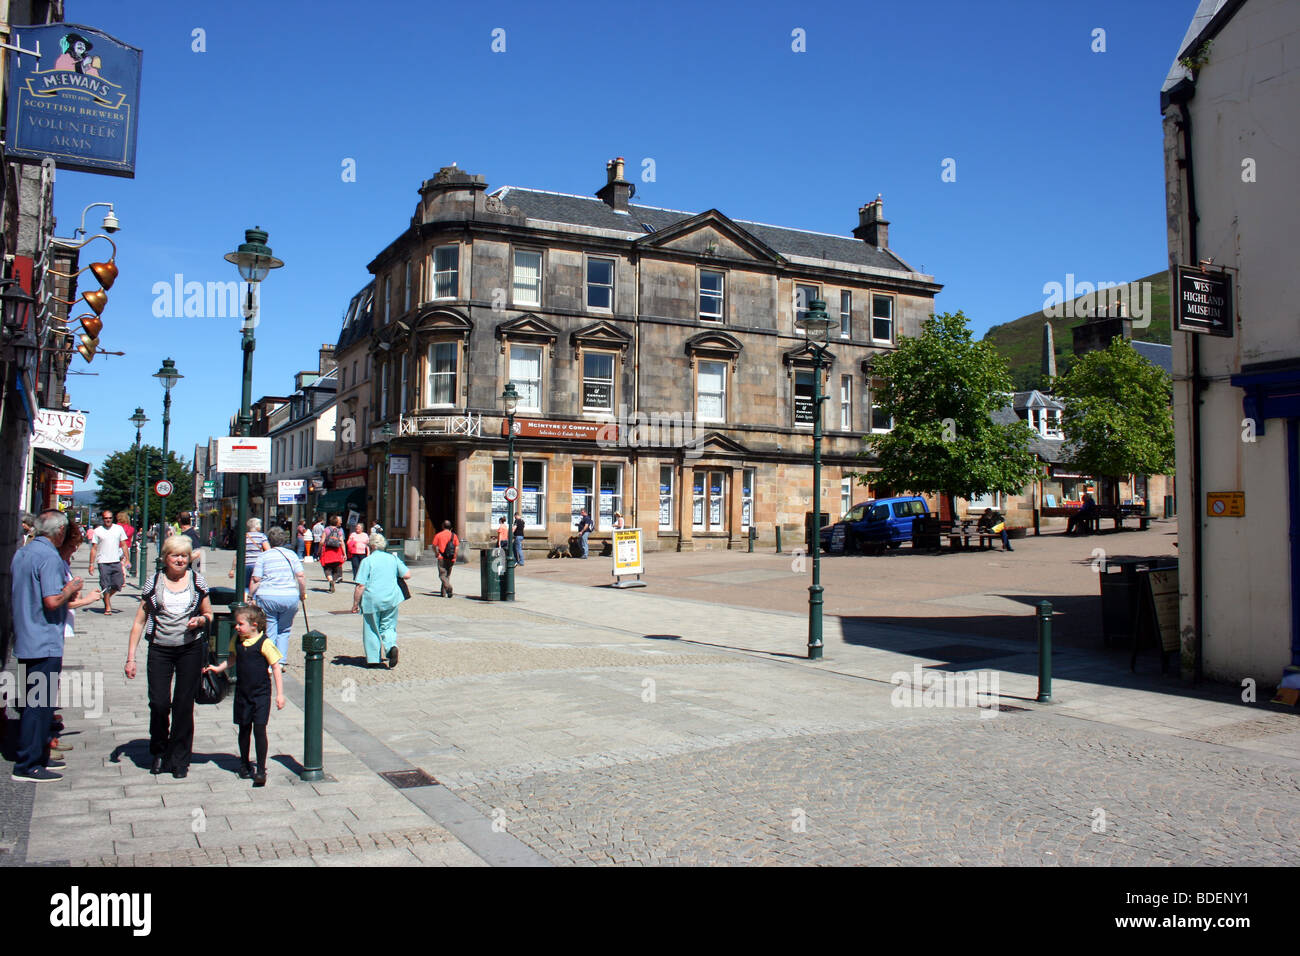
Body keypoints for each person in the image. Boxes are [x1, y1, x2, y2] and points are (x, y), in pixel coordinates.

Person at [125, 536, 213, 778]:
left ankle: (180, 758)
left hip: (190, 649)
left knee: (184, 705)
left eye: (184, 556)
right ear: (165, 557)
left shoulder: (197, 581)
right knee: (160, 703)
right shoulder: (154, 582)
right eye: (175, 555)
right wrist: (131, 657)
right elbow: (139, 621)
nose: (180, 560)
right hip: (160, 649)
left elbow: (209, 613)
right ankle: (159, 751)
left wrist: (202, 620)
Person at [10, 511, 86, 782]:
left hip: (25, 636)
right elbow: (53, 601)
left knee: (31, 702)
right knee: (39, 706)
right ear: (60, 531)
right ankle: (28, 764)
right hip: (44, 639)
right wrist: (72, 586)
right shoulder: (50, 557)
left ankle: (36, 755)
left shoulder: (23, 553)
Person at [204, 605, 283, 787]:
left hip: (261, 693)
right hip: (243, 692)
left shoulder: (265, 643)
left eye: (240, 624)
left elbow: (276, 667)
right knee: (244, 729)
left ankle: (261, 769)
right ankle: (244, 764)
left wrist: (280, 694)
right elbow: (232, 659)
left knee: (259, 730)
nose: (237, 628)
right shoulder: (237, 641)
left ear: (254, 625)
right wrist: (219, 668)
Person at [351, 532, 411, 668]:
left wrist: (355, 603)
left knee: (372, 628)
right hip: (391, 598)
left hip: (372, 599)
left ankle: (373, 659)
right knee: (388, 626)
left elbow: (360, 585)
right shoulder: (392, 559)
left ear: (371, 546)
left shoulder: (367, 561)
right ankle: (391, 647)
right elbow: (407, 574)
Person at [248, 526, 306, 664]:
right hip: (289, 596)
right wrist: (302, 593)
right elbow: (300, 576)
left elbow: (256, 579)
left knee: (270, 628)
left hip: (268, 596)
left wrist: (250, 596)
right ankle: (281, 662)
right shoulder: (291, 555)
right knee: (284, 630)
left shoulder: (264, 556)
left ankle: (270, 661)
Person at [88, 509, 130, 615]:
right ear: (103, 519)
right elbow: (94, 548)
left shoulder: (118, 529)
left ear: (113, 519)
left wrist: (127, 559)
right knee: (105, 585)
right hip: (103, 561)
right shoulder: (98, 531)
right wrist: (91, 564)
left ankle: (105, 597)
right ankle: (107, 606)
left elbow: (124, 544)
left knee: (118, 584)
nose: (108, 520)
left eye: (110, 518)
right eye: (106, 518)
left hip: (116, 561)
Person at [228, 517, 270, 594]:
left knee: (245, 587)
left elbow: (237, 554)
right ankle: (254, 601)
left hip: (245, 565)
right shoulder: (262, 536)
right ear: (257, 526)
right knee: (257, 585)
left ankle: (246, 602)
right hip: (258, 565)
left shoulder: (244, 537)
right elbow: (268, 551)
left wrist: (232, 569)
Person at [319, 515, 346, 593]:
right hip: (337, 552)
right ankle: (333, 581)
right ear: (337, 522)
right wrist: (345, 554)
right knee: (336, 569)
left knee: (327, 568)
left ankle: (330, 581)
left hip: (327, 551)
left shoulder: (326, 530)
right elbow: (342, 543)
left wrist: (319, 550)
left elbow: (322, 541)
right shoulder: (339, 531)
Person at [432, 520, 459, 598]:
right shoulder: (454, 536)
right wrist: (455, 557)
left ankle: (449, 588)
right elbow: (457, 547)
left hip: (442, 557)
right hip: (451, 558)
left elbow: (434, 546)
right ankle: (443, 593)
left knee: (442, 575)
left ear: (443, 526)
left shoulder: (439, 535)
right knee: (447, 575)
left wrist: (436, 553)